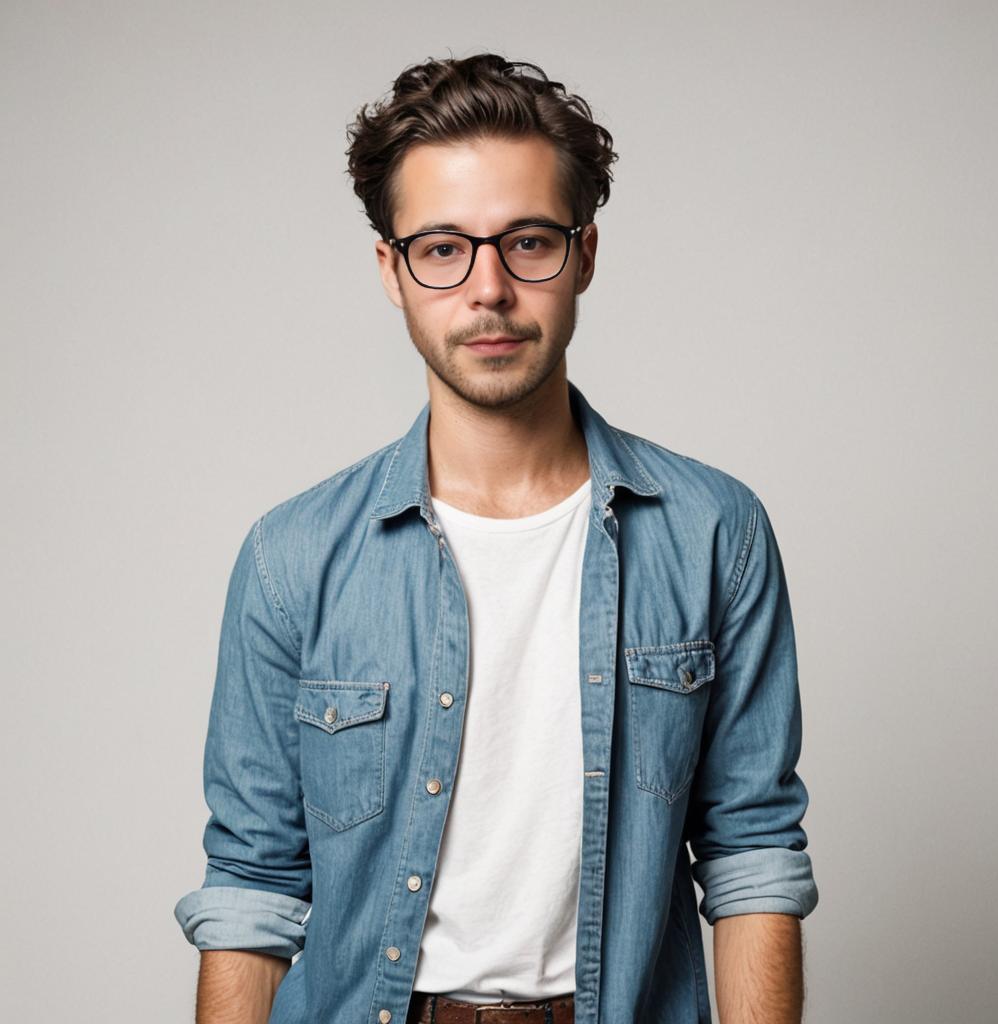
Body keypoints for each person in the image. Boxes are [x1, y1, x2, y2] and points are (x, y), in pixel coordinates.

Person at [173, 52, 819, 1024]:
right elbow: (251, 887)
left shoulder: (711, 530)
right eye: (442, 247)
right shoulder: (292, 555)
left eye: (527, 242)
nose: (489, 289)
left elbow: (753, 854)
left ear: (585, 254)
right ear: (392, 270)